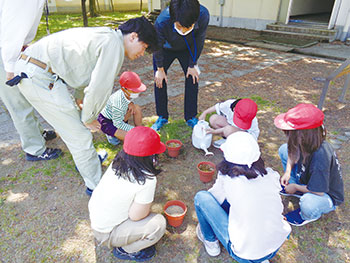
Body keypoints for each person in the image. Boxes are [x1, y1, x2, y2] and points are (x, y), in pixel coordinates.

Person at [12, 16, 158, 195]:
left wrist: (80, 98)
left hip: (36, 70)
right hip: (37, 76)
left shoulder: (108, 36)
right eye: (144, 47)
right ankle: (96, 188)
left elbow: (87, 71)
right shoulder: (113, 45)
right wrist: (89, 117)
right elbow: (99, 86)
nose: (142, 53)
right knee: (80, 135)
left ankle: (87, 162)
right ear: (133, 36)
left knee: (77, 129)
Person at [194, 131, 291, 262]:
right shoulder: (271, 175)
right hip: (276, 244)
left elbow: (212, 200)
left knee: (201, 198)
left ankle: (211, 242)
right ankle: (261, 257)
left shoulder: (228, 179)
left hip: (244, 253)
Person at [88, 126, 166, 262]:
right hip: (108, 233)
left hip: (97, 220)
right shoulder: (147, 179)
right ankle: (126, 250)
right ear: (152, 156)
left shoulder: (118, 162)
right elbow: (136, 216)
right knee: (158, 224)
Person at [0, 0, 61, 161]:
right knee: (18, 104)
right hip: (5, 52)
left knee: (24, 98)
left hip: (11, 48)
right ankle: (35, 149)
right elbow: (11, 34)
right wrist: (10, 68)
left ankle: (37, 133)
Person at [274, 103, 344, 226]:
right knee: (284, 149)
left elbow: (318, 191)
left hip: (326, 195)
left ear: (302, 135)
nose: (288, 135)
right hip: (309, 181)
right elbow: (291, 152)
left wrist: (295, 187)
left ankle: (306, 215)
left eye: (291, 133)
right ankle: (299, 188)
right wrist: (288, 172)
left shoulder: (320, 157)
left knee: (308, 202)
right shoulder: (308, 140)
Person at [151, 0, 209, 131]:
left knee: (193, 78)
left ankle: (190, 117)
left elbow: (199, 40)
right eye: (179, 26)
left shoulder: (203, 15)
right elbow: (157, 45)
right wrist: (160, 68)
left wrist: (193, 63)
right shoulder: (162, 21)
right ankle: (162, 116)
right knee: (159, 80)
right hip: (165, 49)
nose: (182, 30)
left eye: (186, 27)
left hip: (187, 49)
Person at [98, 71, 146, 146]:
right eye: (134, 90)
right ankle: (111, 135)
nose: (137, 92)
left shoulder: (127, 94)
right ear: (124, 89)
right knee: (130, 138)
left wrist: (131, 103)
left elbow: (127, 102)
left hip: (119, 116)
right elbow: (118, 124)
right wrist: (133, 130)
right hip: (109, 121)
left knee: (136, 108)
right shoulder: (118, 102)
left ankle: (139, 129)